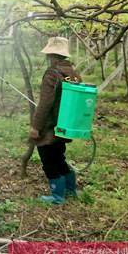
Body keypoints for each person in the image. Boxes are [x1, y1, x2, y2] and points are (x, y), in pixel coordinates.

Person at [29, 37, 81, 205]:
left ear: (50, 54)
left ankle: (58, 196)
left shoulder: (52, 73)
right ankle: (71, 191)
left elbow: (45, 103)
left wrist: (36, 126)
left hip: (50, 125)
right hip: (65, 124)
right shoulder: (73, 73)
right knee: (59, 157)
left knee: (48, 158)